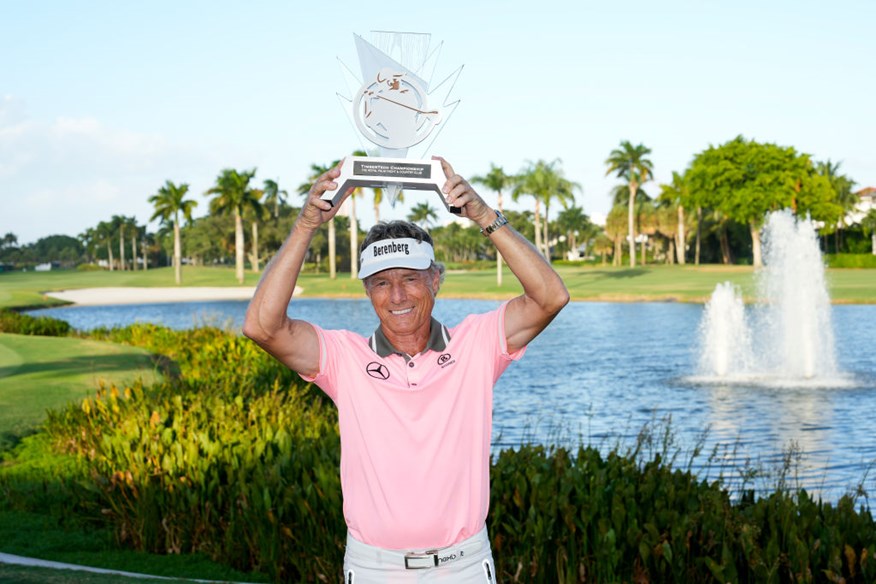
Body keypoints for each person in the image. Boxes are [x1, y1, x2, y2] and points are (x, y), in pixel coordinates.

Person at [243, 156, 569, 583]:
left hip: (464, 566)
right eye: (381, 281)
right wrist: (305, 226)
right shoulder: (344, 356)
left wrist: (484, 216)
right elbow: (262, 326)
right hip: (374, 567)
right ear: (367, 290)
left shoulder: (477, 343)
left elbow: (550, 297)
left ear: (435, 280)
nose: (397, 295)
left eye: (411, 278)